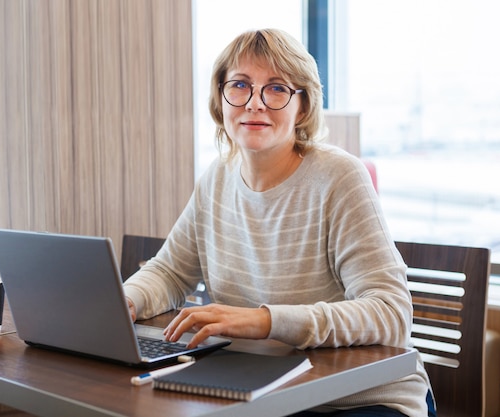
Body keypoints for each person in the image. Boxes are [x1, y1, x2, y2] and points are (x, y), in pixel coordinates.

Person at [123, 28, 435, 416]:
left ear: (301, 107)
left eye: (275, 89)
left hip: (360, 398)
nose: (255, 103)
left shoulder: (339, 177)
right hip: (264, 394)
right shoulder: (216, 178)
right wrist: (127, 300)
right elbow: (170, 272)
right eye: (239, 85)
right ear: (221, 100)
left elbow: (390, 313)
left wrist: (267, 321)